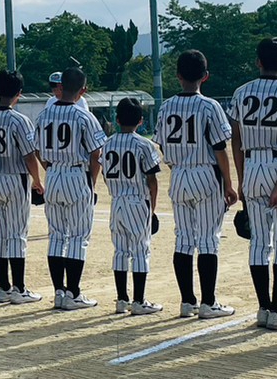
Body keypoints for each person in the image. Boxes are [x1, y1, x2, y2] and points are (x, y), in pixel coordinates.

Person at [229, 37, 277, 331]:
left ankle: (264, 308)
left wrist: (242, 179)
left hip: (251, 164)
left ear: (258, 61)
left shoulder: (241, 93)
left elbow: (235, 139)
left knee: (259, 241)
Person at [156, 50, 238, 320]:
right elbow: (219, 148)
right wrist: (229, 183)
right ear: (205, 76)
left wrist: (177, 165)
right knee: (208, 239)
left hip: (179, 174)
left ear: (178, 75)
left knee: (183, 239)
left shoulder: (166, 106)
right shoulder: (209, 106)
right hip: (205, 174)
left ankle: (187, 301)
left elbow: (162, 144)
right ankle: (208, 302)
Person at [32, 65, 107, 310]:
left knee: (56, 235)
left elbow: (36, 148)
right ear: (83, 90)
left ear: (61, 86)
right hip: (76, 174)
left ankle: (58, 292)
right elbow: (96, 153)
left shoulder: (44, 115)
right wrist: (91, 181)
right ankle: (73, 293)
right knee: (77, 236)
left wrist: (49, 168)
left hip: (53, 174)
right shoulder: (84, 116)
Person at [0, 69, 44, 304]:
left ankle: (3, 287)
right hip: (15, 179)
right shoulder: (19, 120)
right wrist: (37, 181)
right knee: (17, 235)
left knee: (0, 235)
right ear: (19, 93)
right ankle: (19, 288)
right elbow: (29, 155)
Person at [103, 97, 163, 315]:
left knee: (120, 250)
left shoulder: (108, 143)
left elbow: (104, 174)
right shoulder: (144, 144)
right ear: (140, 121)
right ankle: (139, 300)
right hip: (138, 199)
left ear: (117, 120)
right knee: (140, 250)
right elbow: (152, 180)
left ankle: (122, 299)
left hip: (117, 200)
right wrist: (152, 209)